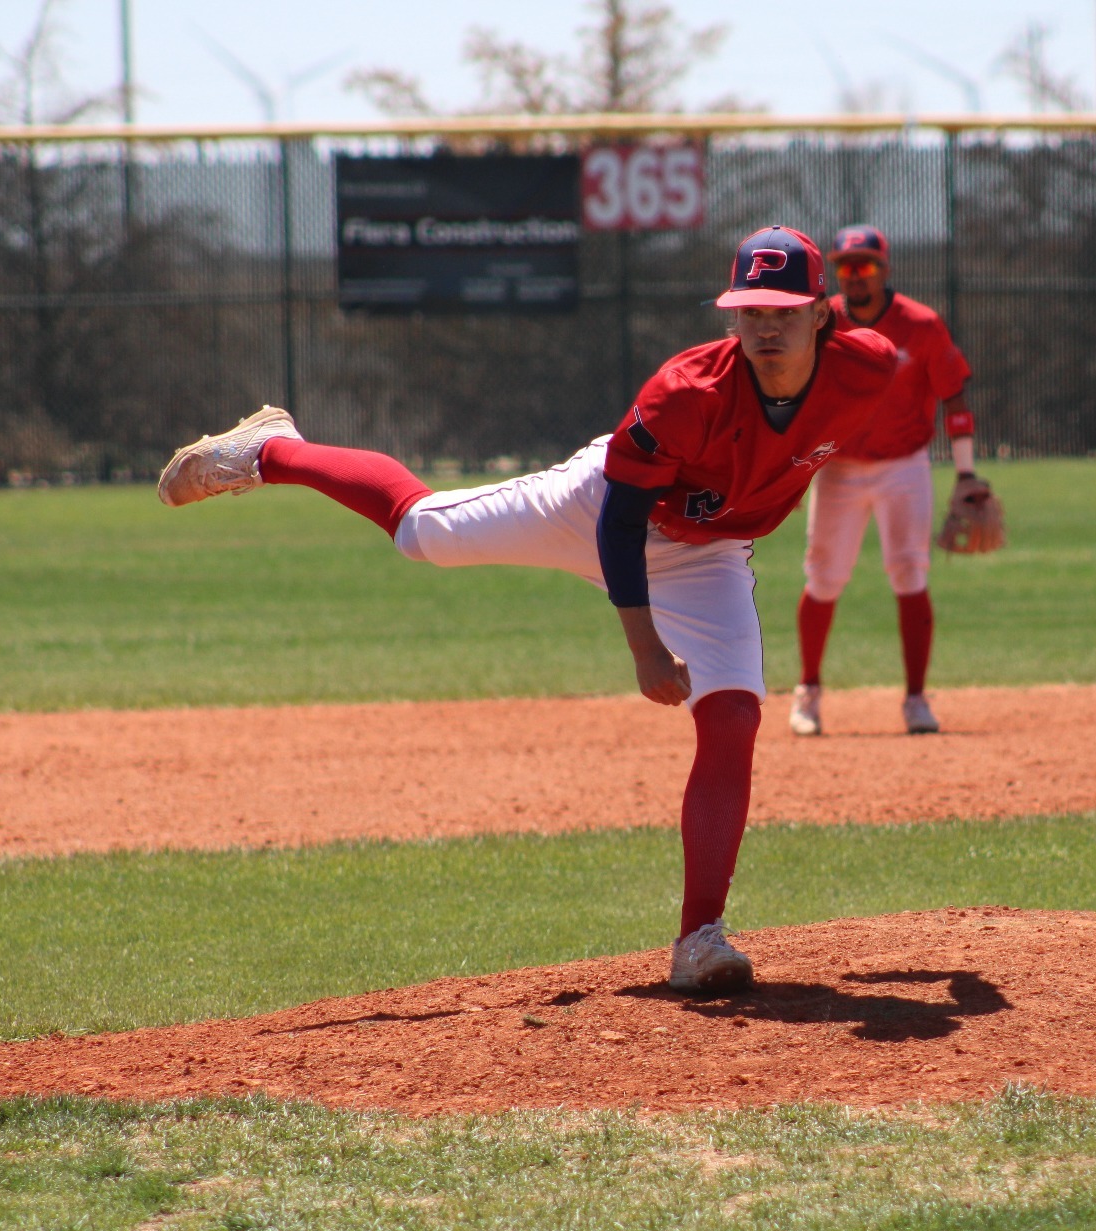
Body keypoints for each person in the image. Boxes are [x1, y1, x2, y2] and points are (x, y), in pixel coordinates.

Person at [156, 225, 896, 995]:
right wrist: (643, 648)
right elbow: (620, 523)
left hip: (709, 552)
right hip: (600, 507)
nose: (766, 325)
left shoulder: (869, 370)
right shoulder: (687, 393)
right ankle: (272, 451)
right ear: (730, 318)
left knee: (735, 712)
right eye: (749, 310)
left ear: (822, 314)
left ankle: (700, 939)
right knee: (421, 533)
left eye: (784, 308)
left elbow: (908, 402)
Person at [789, 223, 990, 738]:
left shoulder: (920, 325)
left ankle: (917, 700)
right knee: (824, 577)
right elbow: (795, 396)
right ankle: (808, 692)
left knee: (910, 574)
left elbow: (955, 399)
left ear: (885, 269)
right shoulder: (824, 320)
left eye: (867, 266)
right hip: (839, 466)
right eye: (846, 266)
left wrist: (966, 473)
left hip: (904, 465)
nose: (856, 276)